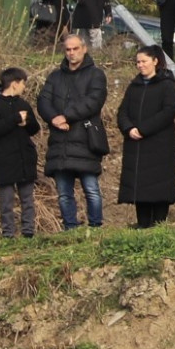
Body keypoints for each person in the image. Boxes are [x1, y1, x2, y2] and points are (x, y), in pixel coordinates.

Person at [40, 35, 109, 230]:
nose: (71, 53)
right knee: (63, 191)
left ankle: (95, 227)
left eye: (75, 48)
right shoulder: (55, 76)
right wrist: (54, 118)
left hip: (85, 139)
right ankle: (70, 227)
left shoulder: (96, 74)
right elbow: (43, 101)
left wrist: (66, 116)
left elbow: (94, 101)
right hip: (60, 140)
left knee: (91, 189)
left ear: (84, 49)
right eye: (68, 49)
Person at [117, 45, 175, 229]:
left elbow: (168, 112)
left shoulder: (167, 85)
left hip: (160, 145)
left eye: (144, 61)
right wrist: (129, 128)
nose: (140, 65)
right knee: (140, 188)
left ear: (155, 61)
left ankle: (159, 227)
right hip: (136, 146)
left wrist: (143, 129)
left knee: (159, 188)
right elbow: (122, 112)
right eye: (138, 62)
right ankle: (143, 225)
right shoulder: (134, 86)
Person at [0, 67, 41, 238]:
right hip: (4, 158)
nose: (24, 87)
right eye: (23, 83)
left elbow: (34, 128)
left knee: (27, 199)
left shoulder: (23, 104)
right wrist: (15, 119)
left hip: (24, 156)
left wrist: (27, 122)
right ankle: (8, 233)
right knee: (7, 200)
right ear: (15, 84)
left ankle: (28, 231)